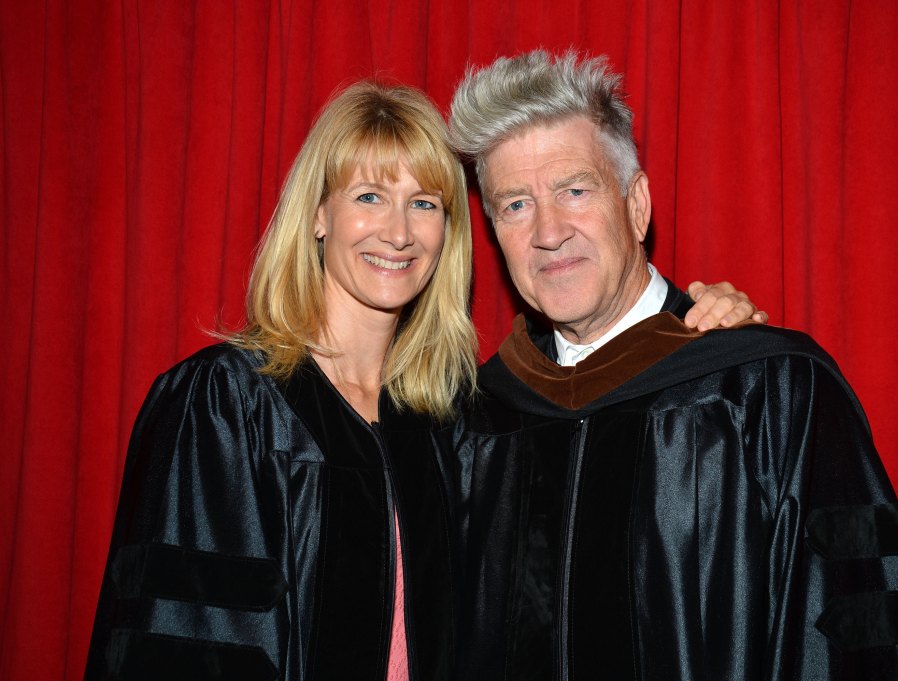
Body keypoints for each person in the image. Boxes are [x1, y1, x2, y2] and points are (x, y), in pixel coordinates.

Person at [84, 80, 763, 681]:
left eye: (426, 204)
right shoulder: (226, 407)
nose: (398, 232)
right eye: (370, 195)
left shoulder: (463, 422)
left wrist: (696, 320)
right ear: (318, 215)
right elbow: (182, 645)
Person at [447, 50, 898, 680]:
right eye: (514, 205)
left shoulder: (770, 392)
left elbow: (864, 634)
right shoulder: (480, 423)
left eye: (575, 190)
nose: (548, 231)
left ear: (636, 203)